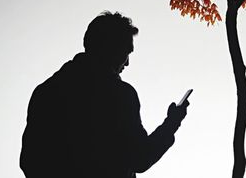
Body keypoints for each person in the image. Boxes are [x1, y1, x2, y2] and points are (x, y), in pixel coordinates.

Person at [20, 11, 189, 178]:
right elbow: (140, 158)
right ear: (111, 49)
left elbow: (29, 161)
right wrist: (172, 123)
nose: (128, 63)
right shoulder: (120, 94)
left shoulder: (46, 91)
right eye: (126, 52)